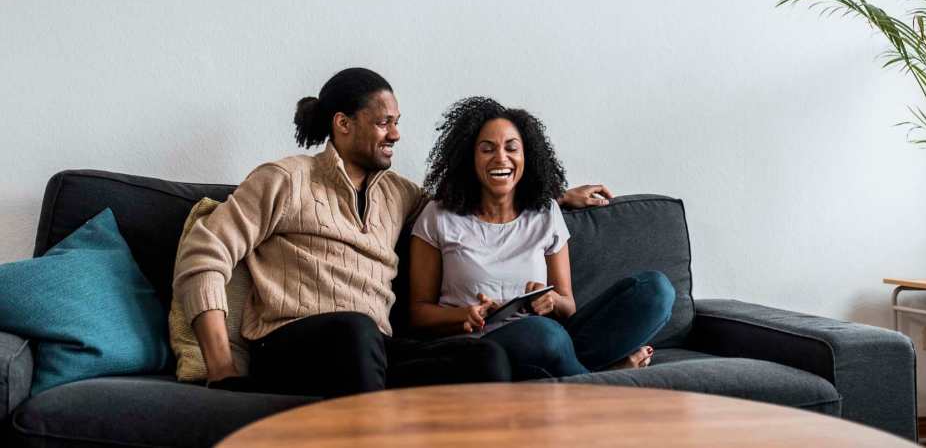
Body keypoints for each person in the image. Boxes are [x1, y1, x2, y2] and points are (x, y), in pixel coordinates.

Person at [172, 68, 604, 397]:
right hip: (291, 345)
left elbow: (466, 201)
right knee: (356, 331)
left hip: (374, 350)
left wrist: (555, 195)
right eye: (383, 123)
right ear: (343, 124)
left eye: (397, 122)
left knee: (485, 356)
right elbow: (204, 254)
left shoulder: (399, 194)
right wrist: (222, 366)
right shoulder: (284, 179)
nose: (396, 134)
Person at [408, 97, 675, 380]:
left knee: (655, 291)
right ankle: (604, 384)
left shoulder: (545, 211)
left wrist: (550, 301)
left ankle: (577, 375)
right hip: (482, 348)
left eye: (512, 148)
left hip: (550, 339)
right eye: (487, 149)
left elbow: (567, 304)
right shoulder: (439, 215)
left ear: (527, 157)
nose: (501, 158)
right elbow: (417, 313)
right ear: (469, 158)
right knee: (543, 334)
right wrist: (465, 315)